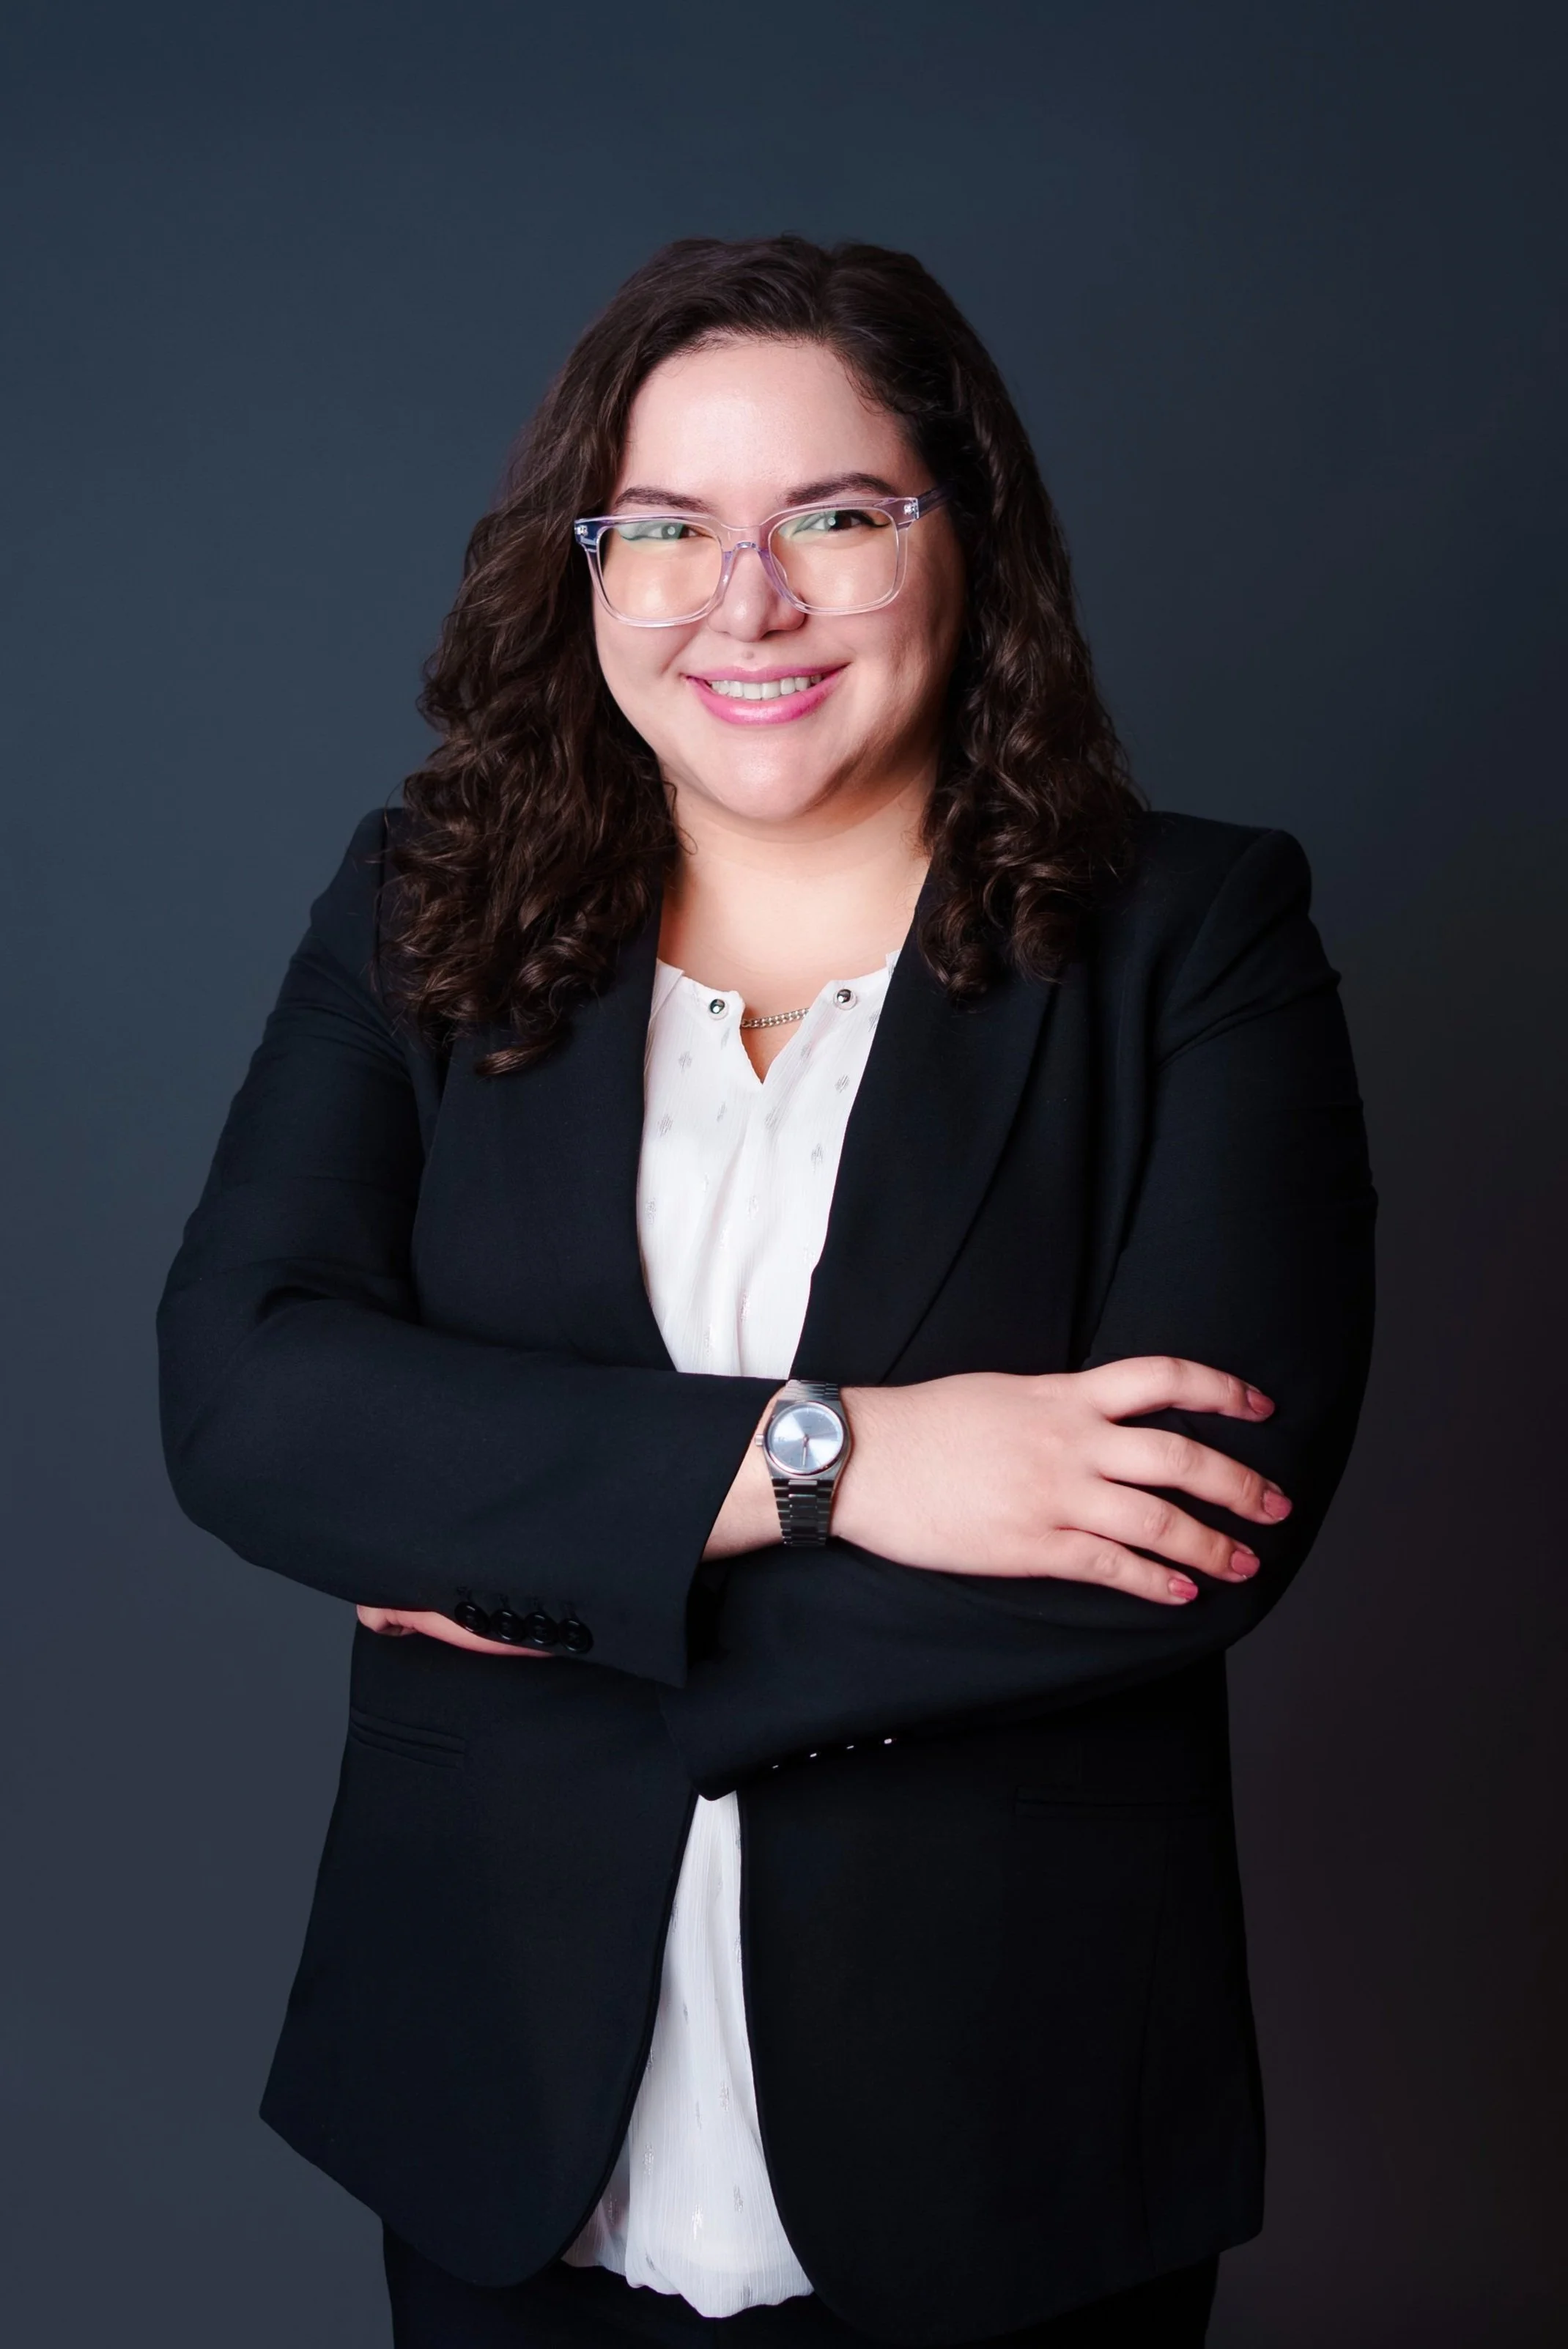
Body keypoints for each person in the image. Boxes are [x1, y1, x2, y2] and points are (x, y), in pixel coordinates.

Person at [157, 235, 1377, 2348]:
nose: (747, 603)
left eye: (833, 516)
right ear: (586, 568)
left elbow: (1184, 1527)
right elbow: (247, 1402)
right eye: (664, 528)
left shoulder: (1195, 939)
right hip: (499, 2113)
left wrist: (547, 1571)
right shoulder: (420, 909)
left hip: (1004, 2128)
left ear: (964, 534)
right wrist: (845, 1460)